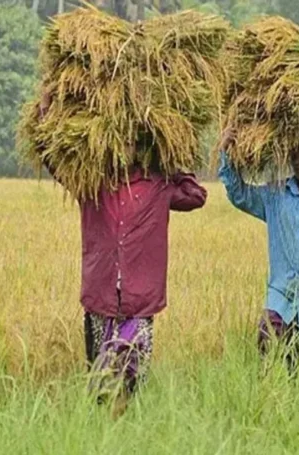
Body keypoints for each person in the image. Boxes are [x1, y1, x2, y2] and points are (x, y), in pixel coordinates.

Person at [38, 89, 208, 411]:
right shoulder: (92, 182)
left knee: (133, 380)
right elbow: (54, 161)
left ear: (143, 145)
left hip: (140, 301)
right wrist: (47, 112)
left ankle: (130, 433)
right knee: (99, 383)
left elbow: (196, 195)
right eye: (120, 141)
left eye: (133, 141)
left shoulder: (159, 186)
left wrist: (171, 162)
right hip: (100, 298)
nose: (126, 148)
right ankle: (102, 435)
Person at [218, 102, 299, 368]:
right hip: (283, 295)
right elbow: (240, 194)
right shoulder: (275, 195)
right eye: (294, 153)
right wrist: (225, 152)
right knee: (270, 352)